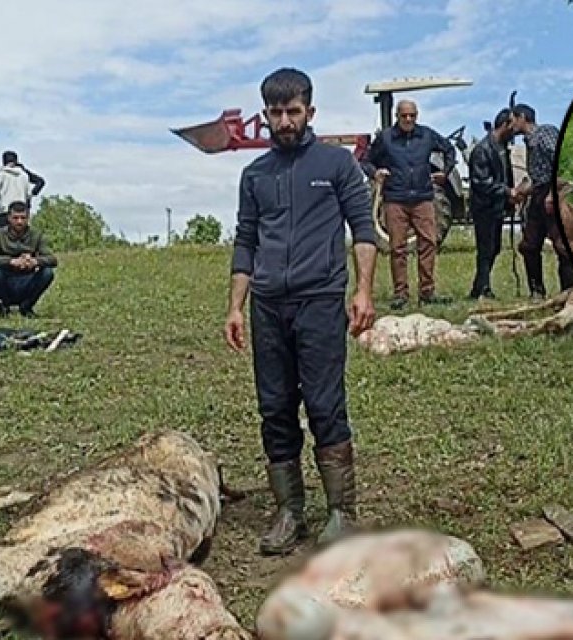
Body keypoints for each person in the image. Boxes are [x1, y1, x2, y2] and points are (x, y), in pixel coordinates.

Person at [224, 67, 378, 556]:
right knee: (274, 408)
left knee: (325, 404)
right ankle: (289, 511)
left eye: (293, 111)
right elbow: (245, 241)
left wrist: (364, 292)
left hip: (319, 301)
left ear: (310, 111)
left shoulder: (337, 165)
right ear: (265, 115)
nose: (284, 121)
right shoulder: (255, 175)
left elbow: (364, 230)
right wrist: (235, 307)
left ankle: (341, 514)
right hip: (268, 306)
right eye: (275, 112)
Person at [360, 99, 456, 309]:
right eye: (404, 116)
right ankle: (400, 294)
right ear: (397, 116)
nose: (408, 119)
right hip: (395, 199)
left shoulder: (427, 135)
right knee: (398, 248)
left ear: (417, 115)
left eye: (412, 115)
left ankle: (427, 292)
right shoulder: (385, 138)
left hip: (423, 197)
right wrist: (375, 172)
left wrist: (445, 172)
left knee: (429, 243)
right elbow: (365, 160)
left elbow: (450, 150)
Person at [509, 102, 573, 300]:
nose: (511, 125)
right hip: (538, 194)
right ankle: (537, 292)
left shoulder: (545, 133)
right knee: (529, 246)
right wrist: (521, 191)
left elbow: (559, 161)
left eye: (513, 120)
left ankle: (568, 292)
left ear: (522, 117)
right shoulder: (529, 142)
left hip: (553, 192)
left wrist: (554, 193)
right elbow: (537, 175)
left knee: (563, 246)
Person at [467, 108, 522, 300]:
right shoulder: (483, 150)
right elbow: (481, 182)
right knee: (486, 248)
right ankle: (482, 288)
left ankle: (479, 286)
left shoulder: (501, 147)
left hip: (497, 206)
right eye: (513, 126)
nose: (515, 130)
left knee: (494, 247)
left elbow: (505, 176)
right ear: (505, 125)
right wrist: (507, 192)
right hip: (484, 207)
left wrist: (509, 198)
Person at [0, 201, 57, 318]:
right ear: (9, 218)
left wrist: (34, 261)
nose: (19, 221)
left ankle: (27, 306)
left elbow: (52, 259)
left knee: (47, 273)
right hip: (6, 280)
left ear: (28, 218)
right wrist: (12, 261)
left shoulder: (37, 235)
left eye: (23, 218)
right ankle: (3, 308)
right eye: (15, 218)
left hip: (27, 280)